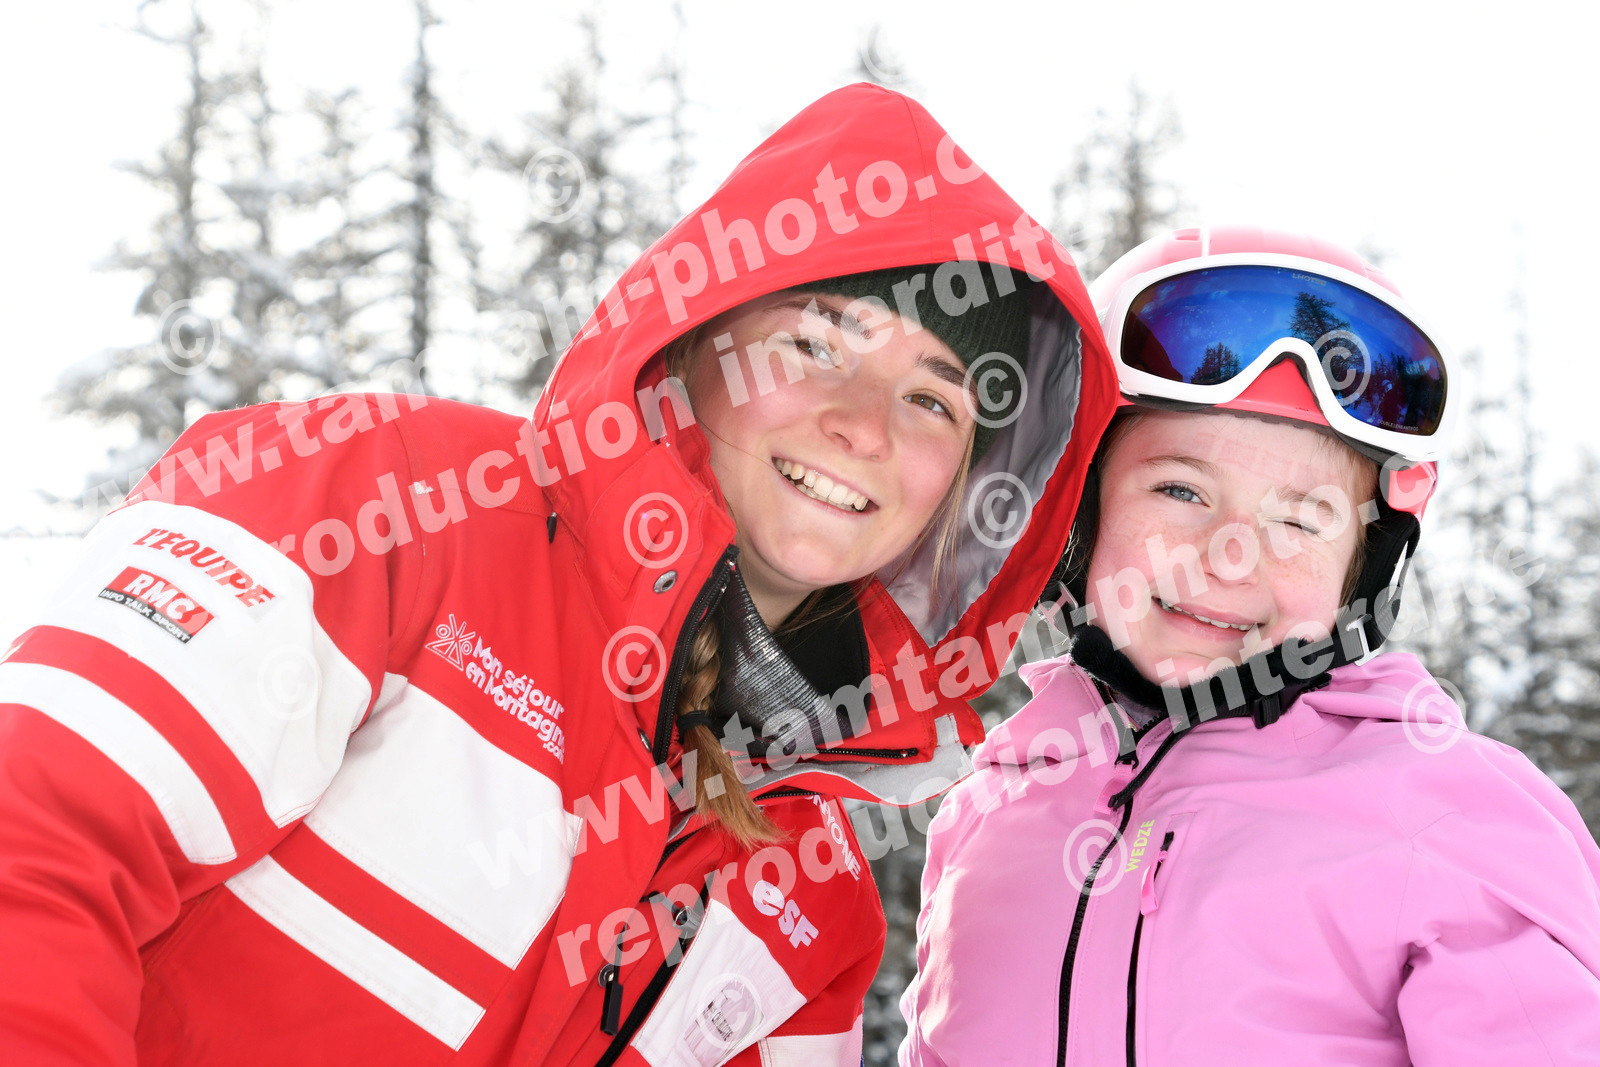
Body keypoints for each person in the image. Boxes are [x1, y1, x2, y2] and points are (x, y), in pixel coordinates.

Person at [0, 83, 1116, 1066]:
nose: (862, 425)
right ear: (695, 340)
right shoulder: (382, 506)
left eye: (930, 398)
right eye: (818, 343)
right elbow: (35, 842)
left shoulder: (815, 898)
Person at [900, 226, 1600, 1065]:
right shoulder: (987, 814)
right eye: (1181, 489)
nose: (1230, 555)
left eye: (1300, 520)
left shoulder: (1457, 819)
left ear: (1362, 566)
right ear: (1079, 510)